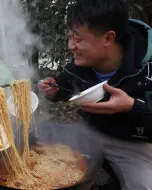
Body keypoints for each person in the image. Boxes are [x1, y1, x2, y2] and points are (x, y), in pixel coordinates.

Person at [38, 0, 152, 189]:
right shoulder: (79, 64)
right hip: (88, 132)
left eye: (78, 39)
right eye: (69, 38)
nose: (71, 46)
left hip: (130, 142)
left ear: (108, 38)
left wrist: (132, 106)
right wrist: (53, 91)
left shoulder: (146, 67)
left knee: (144, 184)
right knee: (47, 159)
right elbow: (65, 86)